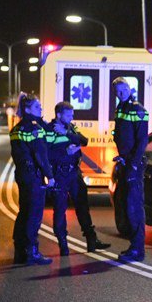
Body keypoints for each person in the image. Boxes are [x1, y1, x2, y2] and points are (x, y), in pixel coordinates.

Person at [45, 102, 111, 255]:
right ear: (59, 115)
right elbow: (46, 155)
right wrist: (65, 153)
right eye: (69, 115)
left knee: (82, 206)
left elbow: (84, 141)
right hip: (60, 174)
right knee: (60, 210)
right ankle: (63, 244)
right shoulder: (49, 130)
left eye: (72, 115)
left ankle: (92, 241)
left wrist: (67, 133)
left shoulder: (71, 127)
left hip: (74, 173)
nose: (72, 117)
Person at [9, 93, 54, 265]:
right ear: (28, 109)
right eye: (37, 107)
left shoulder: (16, 129)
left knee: (24, 213)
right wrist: (49, 176)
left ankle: (20, 252)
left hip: (22, 175)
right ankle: (31, 252)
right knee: (34, 216)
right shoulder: (35, 129)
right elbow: (41, 155)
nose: (41, 109)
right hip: (33, 176)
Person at [111, 78, 149, 262]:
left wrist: (133, 164)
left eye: (123, 90)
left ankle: (138, 250)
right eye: (117, 91)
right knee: (126, 205)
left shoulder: (137, 109)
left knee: (134, 207)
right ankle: (133, 246)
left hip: (134, 165)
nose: (120, 93)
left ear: (129, 88)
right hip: (126, 163)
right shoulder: (120, 108)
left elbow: (142, 141)